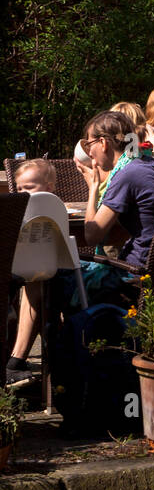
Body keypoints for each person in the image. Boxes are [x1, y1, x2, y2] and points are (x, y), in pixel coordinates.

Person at [78, 110, 154, 273]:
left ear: (103, 143)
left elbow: (92, 236)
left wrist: (93, 188)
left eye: (89, 144)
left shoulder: (127, 174)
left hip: (135, 273)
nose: (89, 153)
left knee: (53, 278)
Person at [5, 159, 58, 386]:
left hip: (33, 269)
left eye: (30, 188)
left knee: (37, 283)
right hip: (20, 271)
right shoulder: (15, 211)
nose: (24, 194)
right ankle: (16, 361)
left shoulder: (52, 210)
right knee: (36, 283)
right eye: (19, 189)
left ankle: (16, 361)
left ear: (49, 187)